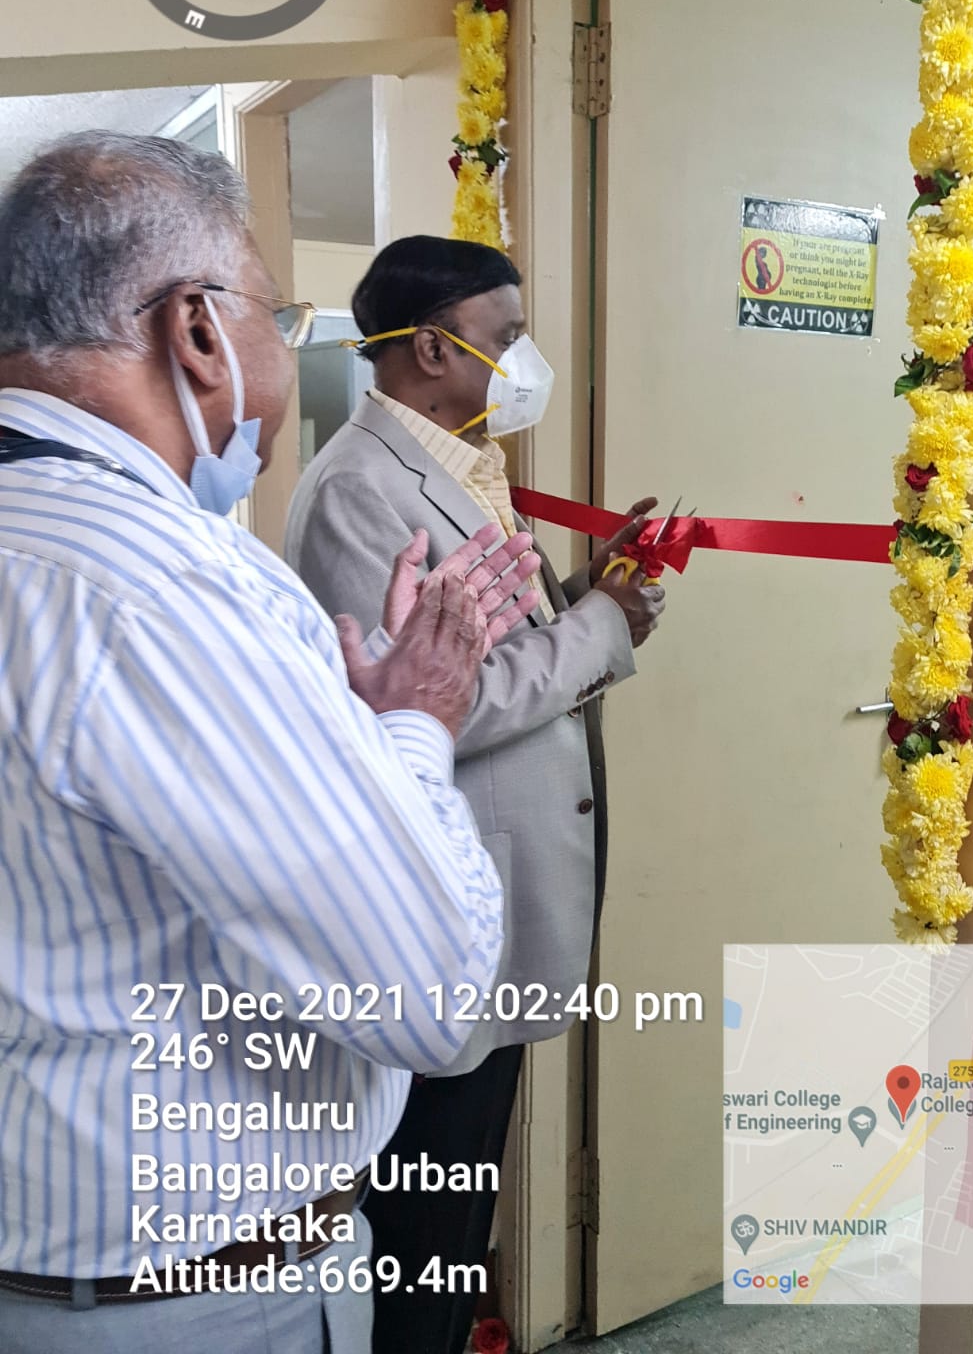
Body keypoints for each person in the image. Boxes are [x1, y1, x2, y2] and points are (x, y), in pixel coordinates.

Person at [0, 134, 542, 1354]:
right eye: (276, 315)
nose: (286, 352)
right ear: (195, 327)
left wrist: (344, 722)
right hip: (194, 1296)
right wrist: (413, 721)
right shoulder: (166, 586)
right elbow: (423, 991)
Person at [285, 235, 665, 1354]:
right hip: (446, 914)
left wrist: (584, 599)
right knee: (427, 1225)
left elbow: (484, 642)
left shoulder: (459, 462)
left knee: (455, 1211)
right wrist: (598, 632)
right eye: (507, 337)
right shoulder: (359, 489)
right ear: (432, 351)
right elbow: (436, 701)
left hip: (498, 901)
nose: (523, 361)